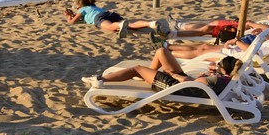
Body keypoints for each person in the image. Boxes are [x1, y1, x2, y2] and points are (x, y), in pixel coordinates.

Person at [100, 44, 239, 93]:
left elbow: (187, 81)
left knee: (136, 68)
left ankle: (101, 79)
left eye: (219, 65)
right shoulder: (223, 78)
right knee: (162, 51)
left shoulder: (215, 79)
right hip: (187, 84)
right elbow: (197, 82)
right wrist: (202, 77)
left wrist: (173, 75)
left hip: (177, 87)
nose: (216, 65)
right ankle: (147, 75)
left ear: (225, 71)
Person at [167, 16, 269, 60]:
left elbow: (255, 53)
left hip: (241, 58)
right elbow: (265, 48)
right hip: (241, 53)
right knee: (204, 47)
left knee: (200, 52)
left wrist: (236, 41)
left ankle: (169, 52)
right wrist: (261, 36)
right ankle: (168, 47)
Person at [63, 0, 160, 35]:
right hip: (108, 13)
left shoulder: (82, 10)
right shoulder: (93, 7)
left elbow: (72, 22)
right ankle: (150, 24)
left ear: (79, 7)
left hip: (98, 18)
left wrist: (68, 16)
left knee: (110, 26)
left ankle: (120, 25)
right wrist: (73, 14)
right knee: (131, 25)